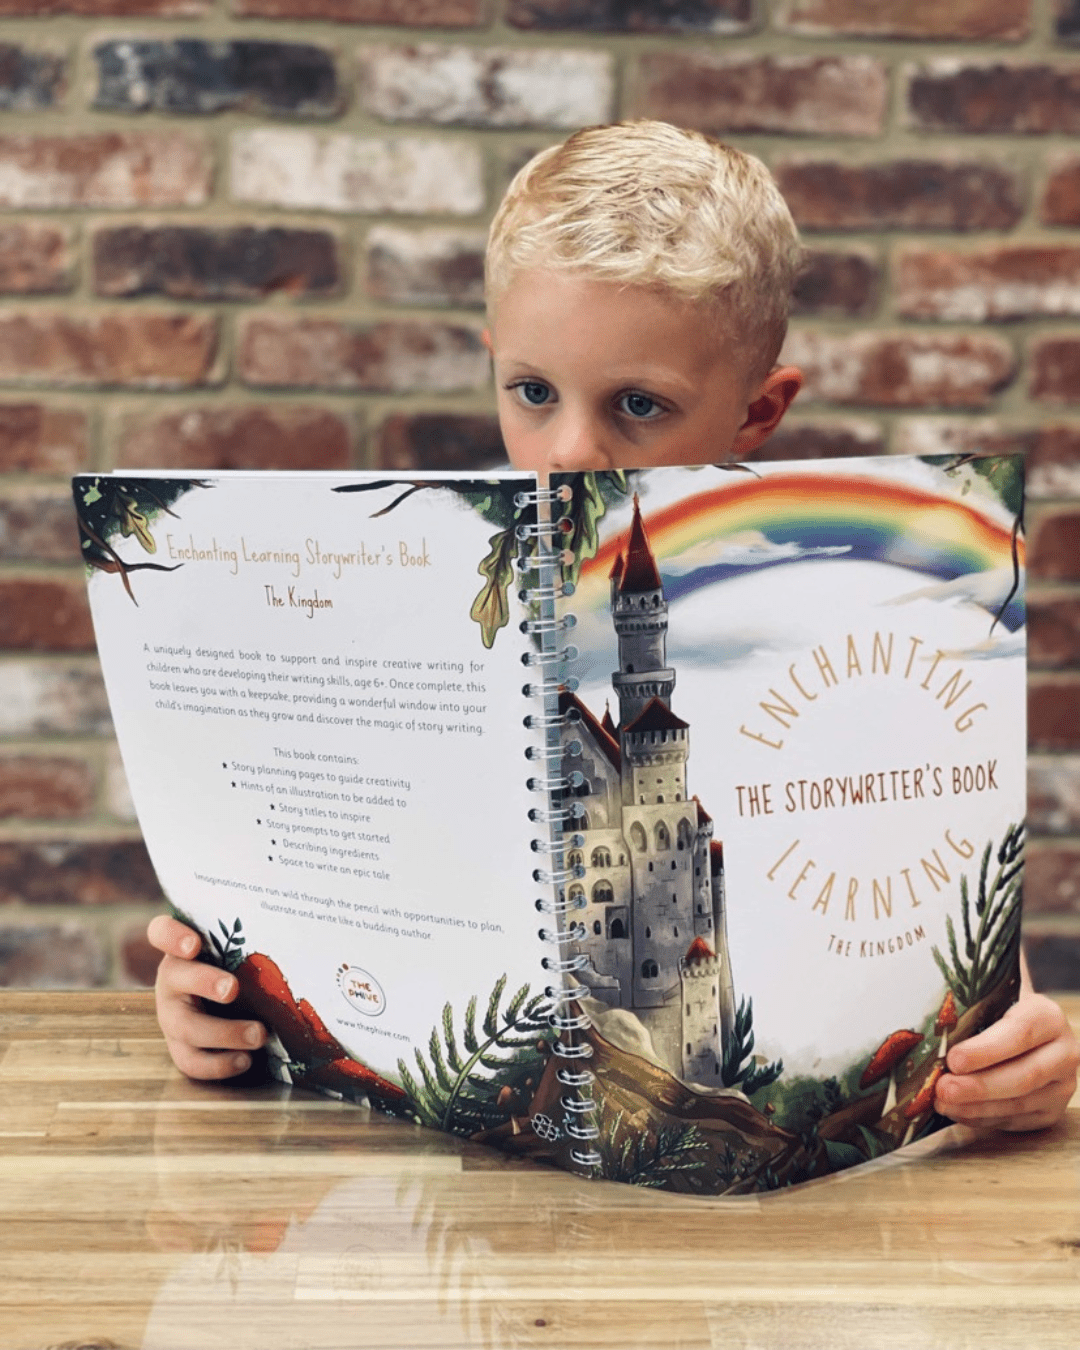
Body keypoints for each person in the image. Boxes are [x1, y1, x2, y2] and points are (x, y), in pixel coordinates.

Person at [148, 120, 1078, 1133]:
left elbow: (944, 944)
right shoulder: (419, 609)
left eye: (639, 404)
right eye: (534, 392)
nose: (569, 452)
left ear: (758, 414)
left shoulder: (855, 638)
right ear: (493, 359)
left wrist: (1018, 1050)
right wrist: (222, 1007)